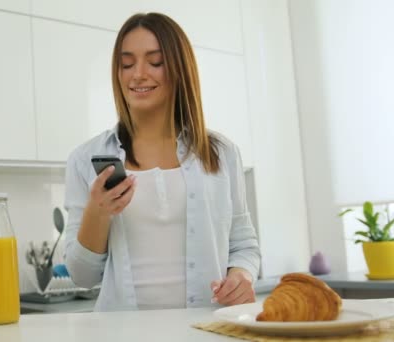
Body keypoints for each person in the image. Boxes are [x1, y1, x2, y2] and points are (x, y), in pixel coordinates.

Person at [63, 12, 261, 311]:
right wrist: (97, 213)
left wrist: (241, 276)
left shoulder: (221, 154)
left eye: (155, 62)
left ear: (180, 69)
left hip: (205, 330)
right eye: (127, 64)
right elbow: (83, 276)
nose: (138, 74)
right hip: (122, 334)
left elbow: (243, 246)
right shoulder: (85, 160)